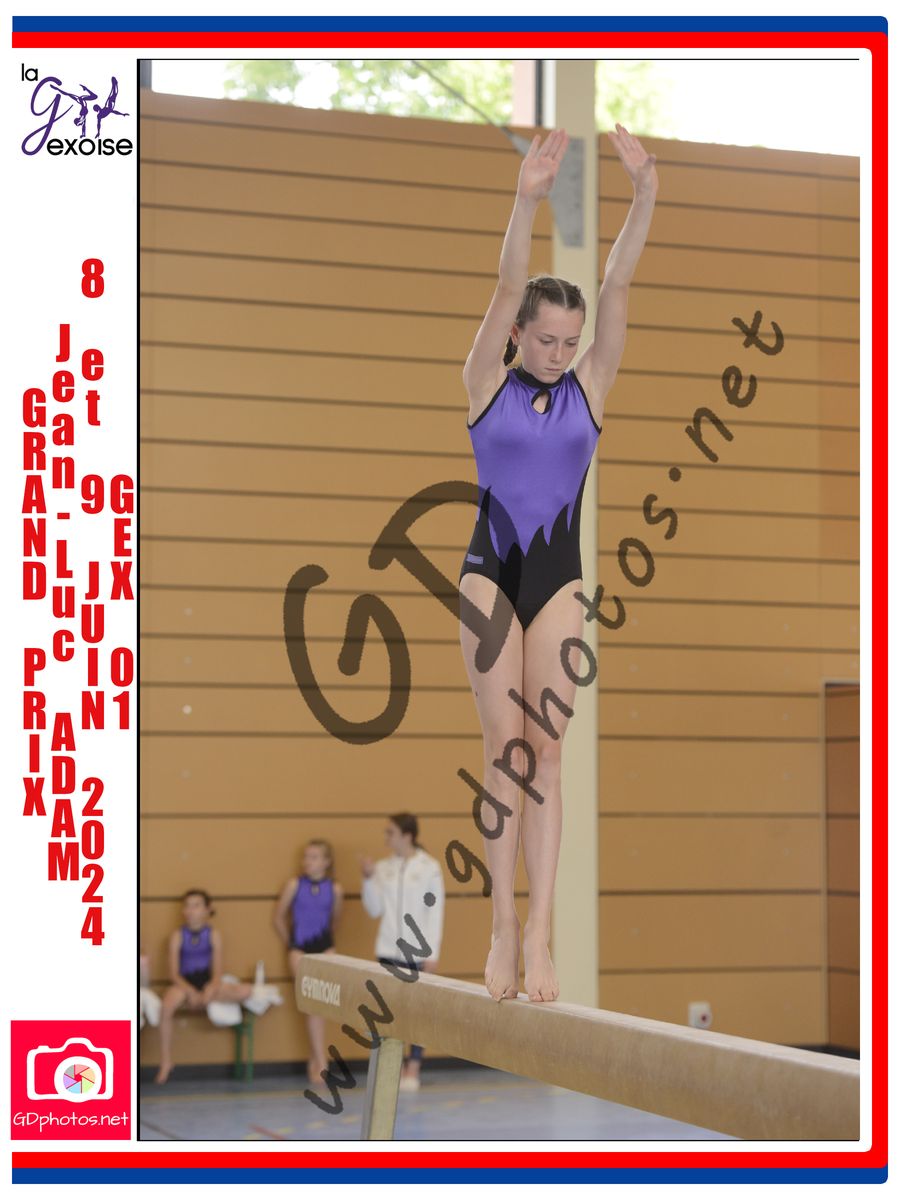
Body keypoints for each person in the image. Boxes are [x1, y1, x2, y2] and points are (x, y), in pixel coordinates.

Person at [457, 124, 658, 1003]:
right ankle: (501, 925)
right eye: (547, 339)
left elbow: (618, 285)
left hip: (559, 582)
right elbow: (508, 283)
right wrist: (526, 200)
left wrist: (645, 194)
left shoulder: (592, 389)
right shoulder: (485, 383)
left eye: (570, 341)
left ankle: (541, 933)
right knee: (504, 747)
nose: (561, 352)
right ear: (520, 334)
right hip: (489, 574)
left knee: (547, 750)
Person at [359, 813, 445, 1092]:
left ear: (407, 836)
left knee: (417, 1013)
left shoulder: (429, 867)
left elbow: (435, 912)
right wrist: (368, 879)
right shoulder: (382, 868)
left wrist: (432, 952)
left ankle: (414, 1067)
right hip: (387, 950)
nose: (386, 838)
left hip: (418, 953)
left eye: (391, 833)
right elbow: (374, 909)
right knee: (387, 1013)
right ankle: (390, 1067)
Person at [154, 889, 260, 1084]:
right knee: (166, 1007)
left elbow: (217, 971)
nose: (191, 910)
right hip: (184, 983)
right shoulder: (178, 935)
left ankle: (207, 1001)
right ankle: (166, 1061)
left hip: (207, 981)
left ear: (207, 910)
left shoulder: (213, 934)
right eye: (187, 906)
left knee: (246, 991)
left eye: (196, 906)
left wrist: (209, 990)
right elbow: (174, 974)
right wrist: (190, 992)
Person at [273, 838, 344, 1089]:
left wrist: (327, 945)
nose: (307, 861)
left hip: (325, 947)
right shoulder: (294, 885)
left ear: (326, 861)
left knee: (323, 1005)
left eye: (314, 857)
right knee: (312, 1004)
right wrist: (291, 943)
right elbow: (279, 917)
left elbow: (336, 920)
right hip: (299, 949)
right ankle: (321, 1061)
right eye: (305, 856)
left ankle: (316, 1059)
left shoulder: (335, 889)